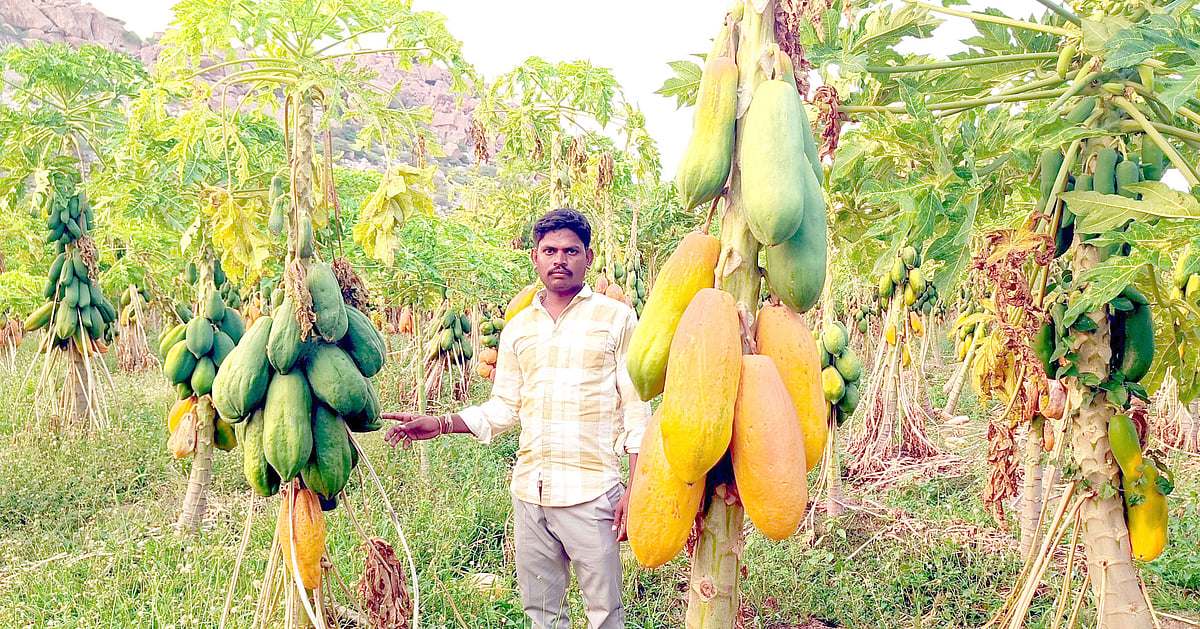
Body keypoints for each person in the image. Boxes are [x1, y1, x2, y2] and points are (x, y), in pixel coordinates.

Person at [383, 207, 650, 629]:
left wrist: (636, 488)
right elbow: (505, 405)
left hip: (593, 492)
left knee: (605, 613)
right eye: (549, 250)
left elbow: (637, 409)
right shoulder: (518, 327)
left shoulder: (616, 318)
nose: (559, 259)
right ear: (535, 257)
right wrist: (442, 423)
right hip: (530, 493)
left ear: (589, 257)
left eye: (570, 250)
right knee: (542, 614)